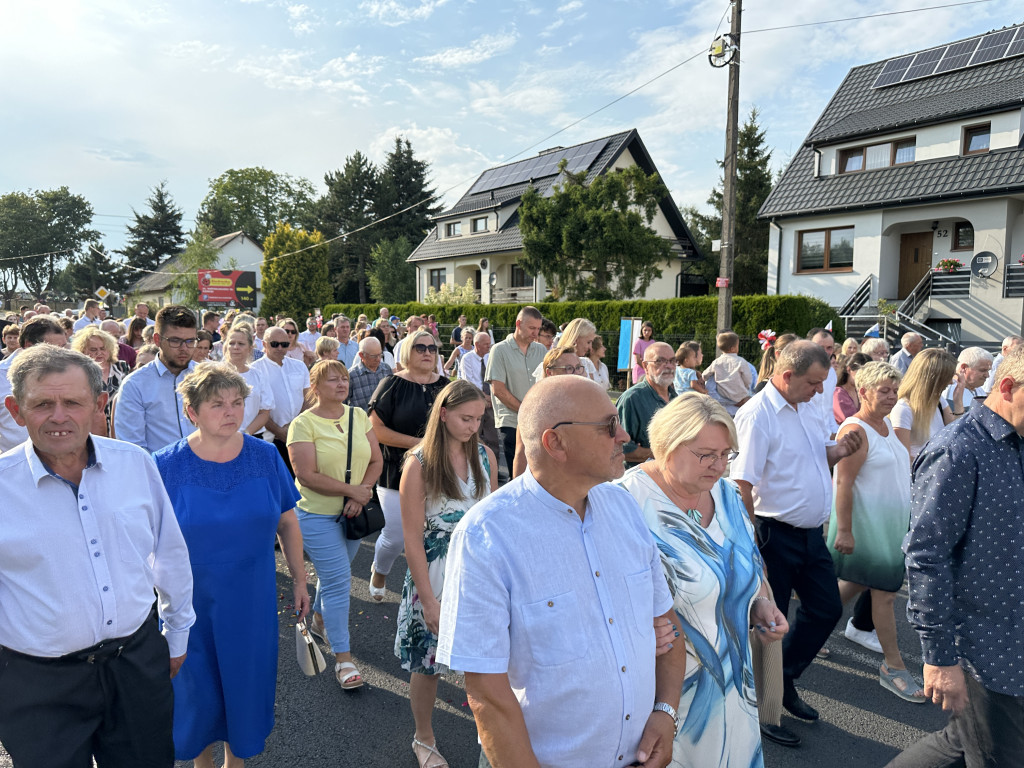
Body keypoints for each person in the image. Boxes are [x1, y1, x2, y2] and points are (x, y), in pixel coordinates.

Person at [436, 376, 687, 768]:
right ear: (555, 443)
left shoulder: (624, 509)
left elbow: (666, 625)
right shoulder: (487, 535)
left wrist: (665, 713)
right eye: (608, 426)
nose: (623, 434)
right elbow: (487, 692)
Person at [0, 345, 195, 767]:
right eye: (42, 404)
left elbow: (170, 552)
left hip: (136, 664)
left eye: (72, 402)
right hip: (37, 684)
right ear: (16, 411)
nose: (58, 416)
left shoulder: (135, 463)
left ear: (98, 405)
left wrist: (177, 634)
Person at [616, 393, 789, 766]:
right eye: (706, 454)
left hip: (734, 689)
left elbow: (749, 565)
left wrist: (759, 604)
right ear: (666, 445)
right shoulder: (624, 502)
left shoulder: (725, 494)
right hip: (665, 698)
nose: (719, 466)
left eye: (726, 454)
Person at [154, 363, 308, 767]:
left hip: (251, 597)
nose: (231, 411)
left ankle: (235, 764)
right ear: (192, 411)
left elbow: (287, 521)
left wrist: (299, 580)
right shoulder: (163, 466)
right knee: (194, 690)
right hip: (188, 601)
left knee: (245, 683)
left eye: (238, 402)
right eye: (218, 404)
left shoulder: (265, 456)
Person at [886, 346, 1024, 768]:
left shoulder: (1017, 440)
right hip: (987, 650)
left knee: (962, 744)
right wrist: (939, 658)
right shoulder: (958, 450)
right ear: (1006, 387)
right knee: (994, 755)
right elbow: (927, 557)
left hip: (1014, 636)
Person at [732, 340, 862, 724]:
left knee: (826, 609)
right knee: (769, 624)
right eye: (813, 382)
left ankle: (782, 682)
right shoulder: (758, 415)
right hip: (774, 534)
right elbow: (741, 485)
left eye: (823, 382)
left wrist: (837, 452)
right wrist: (752, 548)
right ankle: (763, 710)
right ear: (786, 376)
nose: (820, 390)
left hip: (809, 534)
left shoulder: (805, 406)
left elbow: (813, 455)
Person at [396, 380, 497, 768]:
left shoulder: (485, 456)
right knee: (428, 664)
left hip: (478, 573)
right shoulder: (418, 463)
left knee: (487, 662)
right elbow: (412, 539)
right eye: (465, 418)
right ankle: (423, 737)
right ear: (443, 414)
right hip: (435, 575)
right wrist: (428, 600)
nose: (473, 426)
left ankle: (491, 735)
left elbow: (492, 521)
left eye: (479, 418)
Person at [826, 362, 925, 702]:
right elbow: (843, 482)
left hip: (889, 527)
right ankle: (893, 668)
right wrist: (846, 531)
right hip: (867, 529)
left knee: (853, 584)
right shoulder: (855, 429)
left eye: (894, 390)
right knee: (883, 594)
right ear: (863, 391)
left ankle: (809, 630)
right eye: (883, 390)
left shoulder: (884, 426)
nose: (891, 396)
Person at [288, 360, 383, 690]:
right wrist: (350, 491)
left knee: (333, 575)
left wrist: (362, 494)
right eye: (332, 380)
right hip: (316, 514)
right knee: (340, 579)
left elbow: (376, 460)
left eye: (344, 378)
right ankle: (344, 659)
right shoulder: (302, 424)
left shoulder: (358, 416)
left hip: (354, 514)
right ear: (315, 387)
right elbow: (306, 475)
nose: (342, 384)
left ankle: (318, 618)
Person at [368, 330, 448, 601]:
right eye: (420, 347)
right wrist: (419, 443)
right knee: (395, 535)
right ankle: (380, 569)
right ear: (406, 353)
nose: (427, 352)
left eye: (432, 348)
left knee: (434, 533)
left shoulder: (446, 387)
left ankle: (426, 593)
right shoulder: (391, 384)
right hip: (395, 470)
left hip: (438, 471)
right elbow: (375, 430)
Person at [114, 305, 198, 453]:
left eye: (190, 341)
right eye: (175, 341)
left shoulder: (207, 377)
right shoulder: (135, 385)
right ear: (157, 340)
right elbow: (133, 447)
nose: (184, 348)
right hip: (157, 473)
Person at [485, 306, 546, 474]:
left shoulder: (541, 350)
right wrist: (525, 410)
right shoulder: (499, 350)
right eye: (532, 328)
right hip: (510, 421)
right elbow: (498, 390)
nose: (536, 333)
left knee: (538, 471)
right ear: (518, 324)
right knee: (518, 473)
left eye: (538, 329)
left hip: (536, 421)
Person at [0, 316, 70, 452]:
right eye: (53, 349)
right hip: (16, 465)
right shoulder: (1, 375)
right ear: (29, 346)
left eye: (63, 348)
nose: (61, 355)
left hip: (64, 461)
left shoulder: (71, 373)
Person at [250, 326, 310, 473]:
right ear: (264, 344)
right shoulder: (254, 371)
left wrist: (294, 426)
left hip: (300, 434)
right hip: (270, 439)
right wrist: (279, 431)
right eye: (274, 344)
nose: (280, 348)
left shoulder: (299, 366)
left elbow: (308, 398)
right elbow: (256, 408)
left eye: (284, 344)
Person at [890, 348, 960, 461]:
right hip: (919, 475)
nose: (951, 382)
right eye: (947, 378)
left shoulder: (939, 401)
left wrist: (958, 401)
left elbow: (956, 433)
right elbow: (903, 458)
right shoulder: (903, 409)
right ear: (934, 380)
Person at [618, 341, 678, 467]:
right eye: (660, 361)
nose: (669, 366)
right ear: (645, 366)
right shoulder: (632, 399)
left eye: (672, 361)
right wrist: (661, 454)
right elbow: (620, 449)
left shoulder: (676, 399)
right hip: (640, 480)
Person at [71, 327, 130, 436]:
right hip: (92, 429)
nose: (99, 353)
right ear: (82, 351)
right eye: (93, 350)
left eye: (103, 348)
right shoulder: (79, 372)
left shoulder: (122, 367)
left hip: (121, 426)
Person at [224, 323, 273, 436]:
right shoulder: (215, 374)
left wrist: (245, 433)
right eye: (232, 343)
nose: (236, 347)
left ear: (250, 348)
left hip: (252, 436)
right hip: (221, 438)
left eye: (241, 344)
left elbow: (264, 412)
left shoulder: (258, 375)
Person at [458, 330, 500, 459]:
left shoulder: (490, 357)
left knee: (492, 437)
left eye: (489, 343)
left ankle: (494, 470)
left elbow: (495, 378)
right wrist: (485, 397)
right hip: (474, 402)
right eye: (486, 344)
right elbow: (470, 382)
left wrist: (492, 397)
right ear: (477, 344)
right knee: (473, 437)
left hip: (490, 402)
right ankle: (474, 468)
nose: (489, 346)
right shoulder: (467, 359)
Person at [702, 332, 752, 414]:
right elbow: (748, 379)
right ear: (732, 348)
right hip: (739, 396)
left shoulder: (717, 362)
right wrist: (746, 387)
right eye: (737, 345)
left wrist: (704, 378)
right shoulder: (741, 361)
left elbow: (705, 375)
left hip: (722, 395)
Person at [943, 346, 993, 414]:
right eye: (983, 370)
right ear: (964, 368)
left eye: (988, 371)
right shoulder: (949, 392)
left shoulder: (978, 389)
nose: (987, 375)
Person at [348, 336, 393, 412]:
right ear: (361, 355)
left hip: (385, 421)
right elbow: (343, 403)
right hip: (362, 421)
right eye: (374, 356)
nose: (378, 359)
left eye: (380, 354)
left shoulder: (386, 369)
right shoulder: (351, 375)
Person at [832, 352, 871, 425]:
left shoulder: (861, 392)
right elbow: (849, 421)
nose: (864, 377)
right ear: (849, 370)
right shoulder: (838, 393)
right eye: (861, 373)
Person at [633, 320, 656, 385]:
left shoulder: (653, 342)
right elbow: (637, 360)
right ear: (642, 331)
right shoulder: (638, 342)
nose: (647, 332)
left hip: (650, 370)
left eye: (649, 330)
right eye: (645, 330)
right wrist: (646, 368)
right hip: (640, 370)